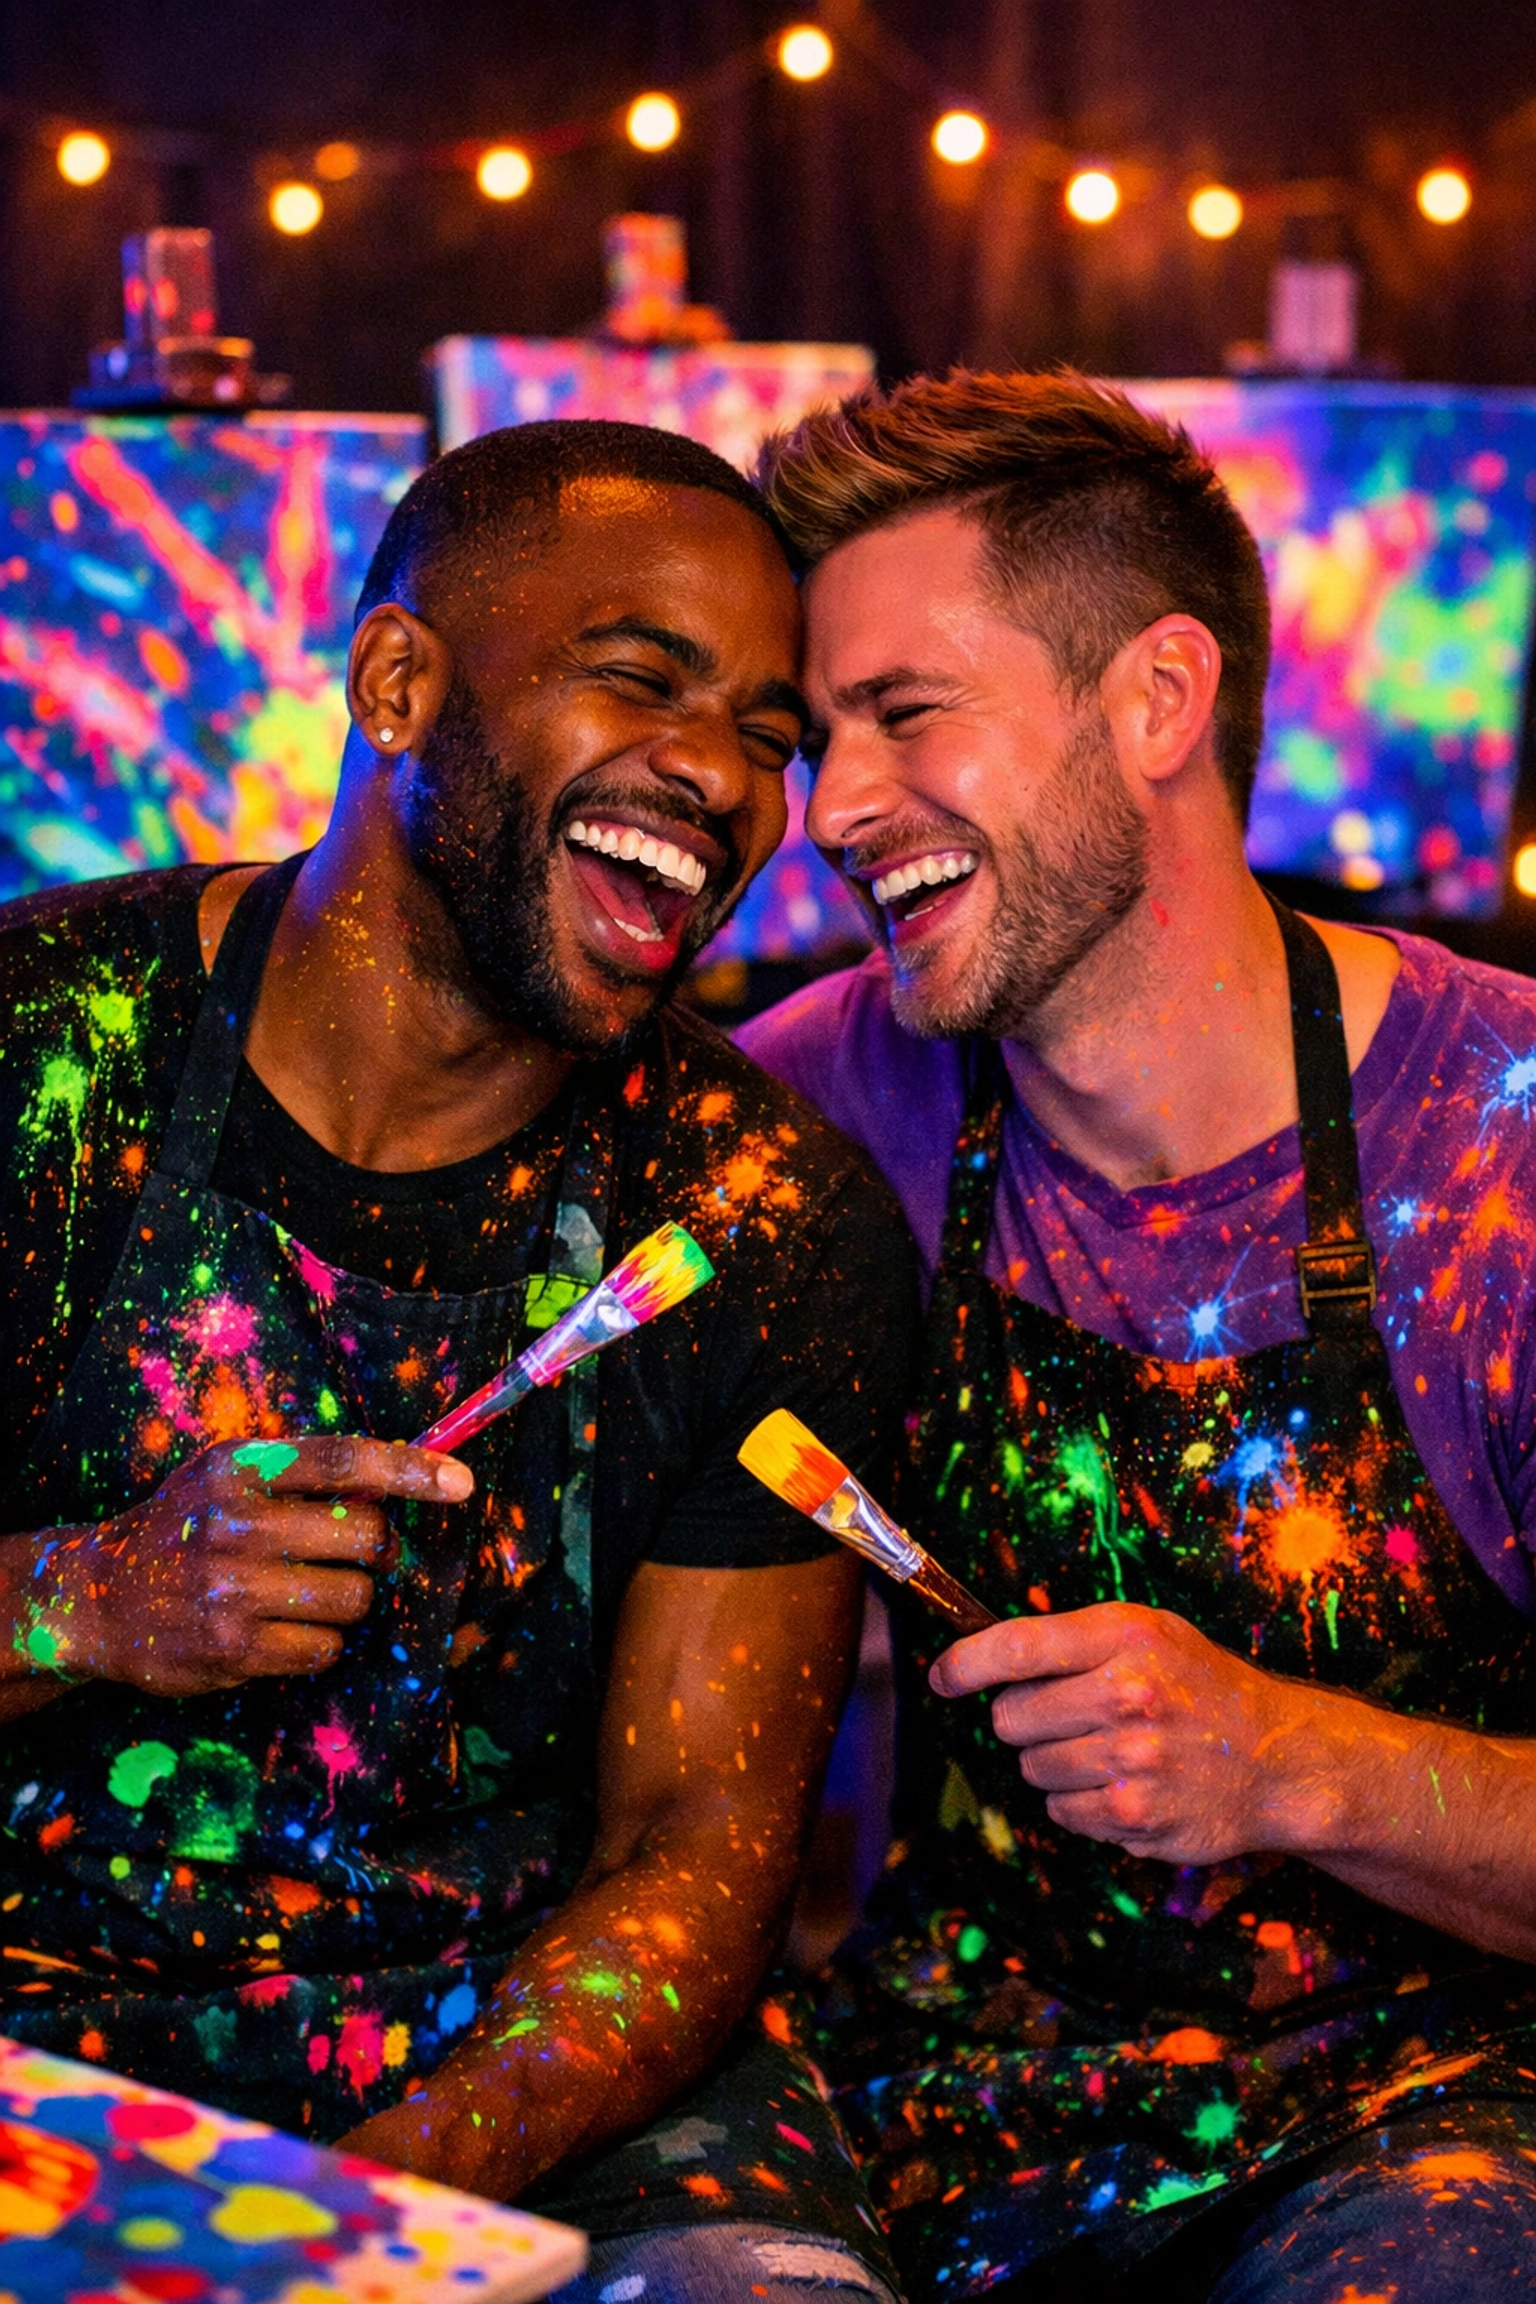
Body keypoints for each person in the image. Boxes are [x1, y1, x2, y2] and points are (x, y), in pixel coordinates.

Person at [0, 419, 915, 2304]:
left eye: (765, 732)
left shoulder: (762, 1219)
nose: (720, 778)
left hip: (526, 2083)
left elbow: (695, 1857)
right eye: (638, 678)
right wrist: (78, 1603)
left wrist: (366, 2216)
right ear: (398, 682)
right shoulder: (34, 1056)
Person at [740, 371, 1536, 2304]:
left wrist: (1294, 1761)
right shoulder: (825, 1101)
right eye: (814, 736)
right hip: (941, 2070)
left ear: (1158, 699)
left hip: (1424, 2105)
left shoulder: (1503, 1145)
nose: (831, 812)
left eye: (907, 714)